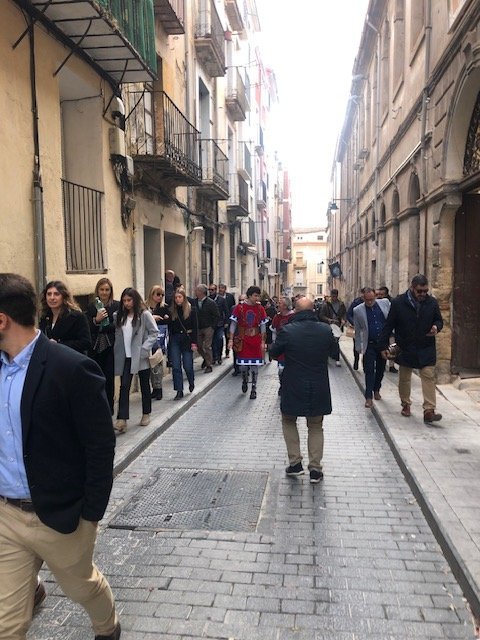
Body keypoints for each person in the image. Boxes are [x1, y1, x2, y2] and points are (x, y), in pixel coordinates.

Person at [0, 273, 120, 640]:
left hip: (61, 516)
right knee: (6, 625)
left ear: (2, 320)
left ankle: (108, 627)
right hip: (6, 516)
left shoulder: (71, 368)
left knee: (81, 587)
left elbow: (100, 446)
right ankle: (30, 591)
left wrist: (90, 515)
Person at [269, 297, 335, 484]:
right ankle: (315, 469)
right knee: (315, 426)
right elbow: (335, 352)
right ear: (313, 310)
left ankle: (295, 463)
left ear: (296, 311)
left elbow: (274, 352)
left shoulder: (287, 330)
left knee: (288, 420)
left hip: (293, 383)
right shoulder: (325, 330)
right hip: (318, 384)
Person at [379, 274, 444, 423]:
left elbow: (439, 320)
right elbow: (389, 325)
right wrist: (382, 346)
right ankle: (406, 404)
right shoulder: (398, 303)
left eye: (425, 291)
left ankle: (429, 410)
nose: (423, 294)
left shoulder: (432, 302)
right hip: (405, 346)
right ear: (412, 288)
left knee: (428, 375)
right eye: (419, 291)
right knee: (405, 377)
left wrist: (436, 327)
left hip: (426, 346)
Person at [113, 288, 158, 434]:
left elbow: (154, 332)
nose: (127, 303)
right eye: (124, 301)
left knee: (144, 385)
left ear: (135, 300)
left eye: (129, 300)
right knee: (124, 386)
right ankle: (122, 420)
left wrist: (144, 349)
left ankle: (146, 414)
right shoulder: (118, 316)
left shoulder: (144, 315)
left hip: (139, 355)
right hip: (125, 357)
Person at [86, 277, 120, 414]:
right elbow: (87, 326)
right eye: (102, 289)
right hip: (95, 347)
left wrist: (102, 325)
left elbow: (117, 325)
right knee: (95, 378)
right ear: (97, 290)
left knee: (109, 379)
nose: (104, 292)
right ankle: (97, 408)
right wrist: (96, 320)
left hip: (110, 347)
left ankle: (109, 409)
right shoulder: (91, 306)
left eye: (107, 290)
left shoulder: (116, 306)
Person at [227, 286, 268, 399]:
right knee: (243, 366)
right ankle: (245, 379)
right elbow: (233, 324)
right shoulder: (239, 307)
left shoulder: (260, 308)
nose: (257, 298)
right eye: (255, 295)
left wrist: (263, 341)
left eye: (258, 296)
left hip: (255, 340)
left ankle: (254, 388)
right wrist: (231, 339)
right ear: (249, 296)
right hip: (243, 339)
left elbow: (263, 326)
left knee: (255, 365)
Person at [353, 287, 391, 408]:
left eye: (372, 299)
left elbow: (391, 320)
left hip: (383, 344)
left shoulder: (385, 303)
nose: (370, 302)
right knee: (369, 370)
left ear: (375, 296)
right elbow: (358, 330)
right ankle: (368, 397)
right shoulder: (358, 310)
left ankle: (377, 389)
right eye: (367, 300)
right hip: (369, 344)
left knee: (381, 369)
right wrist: (358, 347)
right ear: (363, 298)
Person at [39, 280, 91, 354]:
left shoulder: (77, 316)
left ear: (64, 296)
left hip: (71, 358)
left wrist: (59, 344)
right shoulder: (45, 317)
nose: (52, 297)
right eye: (49, 294)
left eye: (56, 294)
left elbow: (86, 343)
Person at [167, 287, 198, 399]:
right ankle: (179, 390)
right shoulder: (171, 311)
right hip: (175, 339)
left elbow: (195, 327)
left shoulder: (191, 310)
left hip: (187, 339)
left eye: (179, 297)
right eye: (176, 298)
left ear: (184, 298)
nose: (177, 299)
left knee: (187, 365)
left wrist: (194, 342)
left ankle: (191, 380)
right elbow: (169, 327)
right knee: (176, 366)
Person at [146, 285, 170, 401]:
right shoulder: (144, 307)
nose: (160, 297)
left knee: (158, 363)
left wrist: (166, 318)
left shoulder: (164, 308)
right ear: (152, 294)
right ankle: (153, 388)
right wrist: (152, 318)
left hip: (159, 338)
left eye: (162, 295)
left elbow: (169, 321)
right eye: (158, 294)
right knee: (149, 365)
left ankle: (158, 388)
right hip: (147, 338)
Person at [270, 296, 294, 395]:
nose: (278, 305)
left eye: (280, 303)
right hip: (281, 347)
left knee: (291, 369)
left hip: (292, 347)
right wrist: (274, 343)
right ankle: (282, 385)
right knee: (281, 369)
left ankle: (290, 387)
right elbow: (274, 331)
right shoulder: (277, 317)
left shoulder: (293, 316)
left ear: (285, 306)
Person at [318, 288, 346, 367]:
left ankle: (337, 359)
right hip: (328, 326)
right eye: (332, 296)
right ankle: (327, 356)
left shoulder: (341, 304)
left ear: (337, 296)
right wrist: (329, 320)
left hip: (337, 326)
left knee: (336, 342)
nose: (334, 298)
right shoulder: (326, 304)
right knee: (327, 342)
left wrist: (343, 320)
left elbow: (344, 313)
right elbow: (321, 315)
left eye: (335, 296)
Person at [194, 284, 219, 373]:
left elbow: (216, 315)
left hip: (208, 327)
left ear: (201, 292)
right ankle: (206, 358)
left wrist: (212, 327)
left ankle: (209, 365)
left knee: (207, 346)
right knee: (199, 346)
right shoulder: (194, 302)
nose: (195, 292)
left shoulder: (210, 303)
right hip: (198, 327)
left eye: (197, 290)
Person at [376, 285, 398, 374]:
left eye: (382, 294)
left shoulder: (392, 302)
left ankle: (391, 365)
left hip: (390, 329)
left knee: (392, 347)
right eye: (379, 294)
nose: (380, 296)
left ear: (386, 294)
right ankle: (383, 363)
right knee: (383, 346)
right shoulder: (376, 302)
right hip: (382, 329)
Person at [208, 284, 228, 365]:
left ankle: (219, 356)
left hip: (220, 323)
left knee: (219, 339)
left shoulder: (221, 300)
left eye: (212, 290)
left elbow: (226, 311)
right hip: (210, 324)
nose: (210, 291)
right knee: (212, 341)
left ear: (216, 290)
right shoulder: (208, 299)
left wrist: (226, 322)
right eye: (209, 290)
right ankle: (214, 356)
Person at [347, 287, 366, 370]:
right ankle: (356, 360)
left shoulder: (372, 302)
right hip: (357, 328)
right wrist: (354, 322)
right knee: (356, 345)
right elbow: (349, 314)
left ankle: (365, 362)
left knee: (367, 346)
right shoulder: (356, 302)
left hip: (367, 328)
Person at [218, 283, 236, 358]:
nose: (220, 290)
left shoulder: (230, 296)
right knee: (220, 338)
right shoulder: (217, 297)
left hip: (228, 319)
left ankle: (227, 352)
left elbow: (233, 307)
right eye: (220, 288)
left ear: (225, 289)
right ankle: (219, 354)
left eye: (222, 288)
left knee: (227, 336)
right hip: (220, 320)